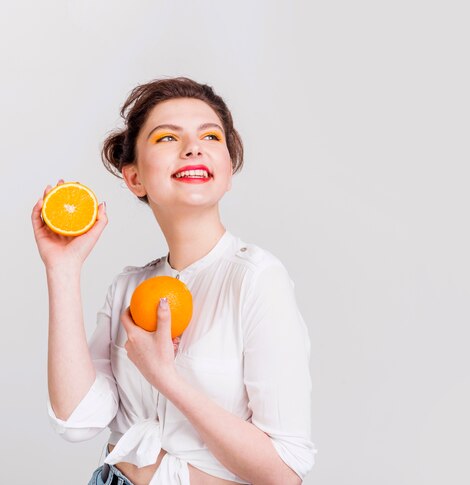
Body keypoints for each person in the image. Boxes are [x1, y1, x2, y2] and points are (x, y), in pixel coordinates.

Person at [31, 77, 316, 485]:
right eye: (167, 137)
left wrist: (164, 376)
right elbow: (77, 422)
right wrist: (62, 269)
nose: (194, 147)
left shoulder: (256, 280)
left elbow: (284, 474)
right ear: (134, 179)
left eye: (211, 136)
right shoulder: (128, 288)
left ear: (228, 171)